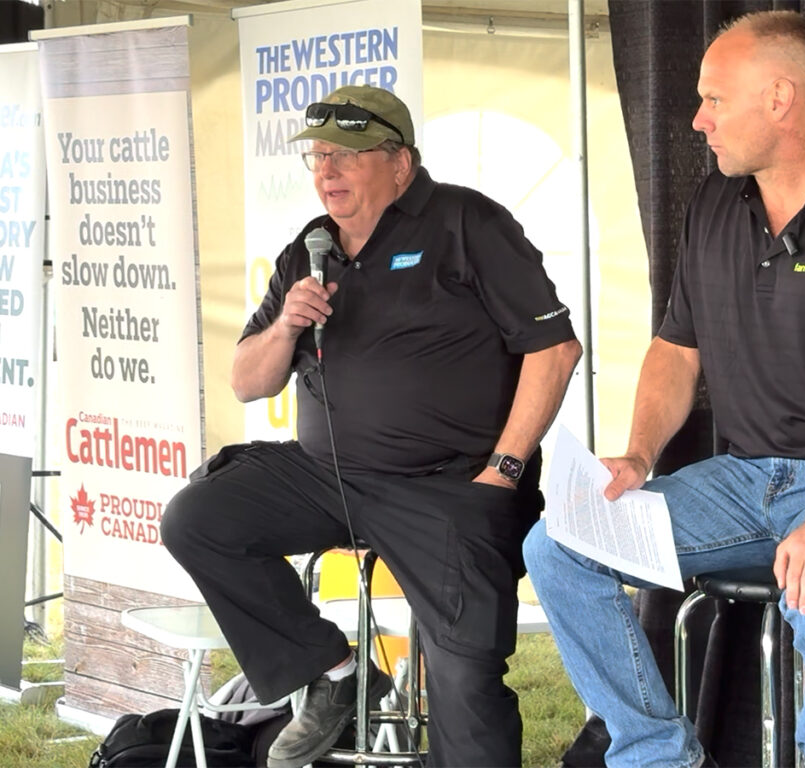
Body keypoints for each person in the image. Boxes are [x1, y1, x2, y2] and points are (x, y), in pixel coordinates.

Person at [524, 10, 805, 768]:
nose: (698, 119)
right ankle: (660, 757)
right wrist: (638, 456)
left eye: (714, 99)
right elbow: (675, 349)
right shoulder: (715, 204)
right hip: (742, 481)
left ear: (780, 99)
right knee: (557, 544)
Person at [161, 84, 582, 768]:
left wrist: (502, 470)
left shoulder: (466, 223)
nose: (327, 171)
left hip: (446, 485)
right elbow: (247, 382)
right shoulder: (310, 248)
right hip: (325, 475)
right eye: (318, 156)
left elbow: (554, 349)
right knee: (199, 518)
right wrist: (286, 324)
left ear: (400, 163)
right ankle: (335, 672)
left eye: (347, 155)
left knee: (463, 677)